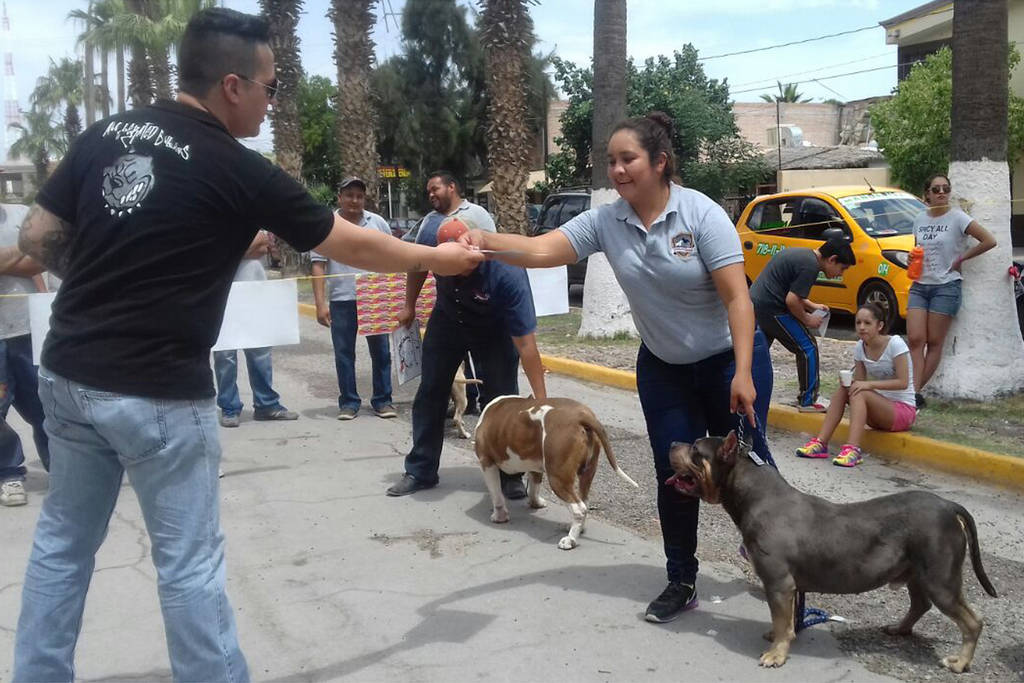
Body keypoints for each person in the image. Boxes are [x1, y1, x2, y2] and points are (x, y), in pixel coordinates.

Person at [3, 8, 481, 682]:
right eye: (270, 87)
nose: (272, 101)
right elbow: (352, 244)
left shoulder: (104, 135)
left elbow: (35, 236)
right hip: (159, 391)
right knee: (188, 563)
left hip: (70, 375)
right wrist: (438, 257)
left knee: (62, 545)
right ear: (233, 85)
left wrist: (110, 268)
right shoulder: (236, 167)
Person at [458, 112, 774, 624]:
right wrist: (484, 241)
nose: (617, 170)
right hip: (665, 368)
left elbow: (739, 299)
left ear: (660, 162)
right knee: (674, 474)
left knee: (750, 468)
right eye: (611, 161)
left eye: (628, 159)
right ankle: (681, 580)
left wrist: (742, 372)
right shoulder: (607, 220)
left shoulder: (702, 214)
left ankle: (781, 570)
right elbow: (542, 249)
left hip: (728, 361)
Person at [387, 216, 546, 499]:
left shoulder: (507, 273)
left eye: (461, 266)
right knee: (430, 392)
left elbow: (527, 346)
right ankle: (420, 470)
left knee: (502, 398)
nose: (453, 273)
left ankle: (510, 475)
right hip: (448, 319)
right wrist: (409, 304)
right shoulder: (432, 242)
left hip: (495, 329)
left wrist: (543, 402)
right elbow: (417, 265)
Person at [906, 173, 996, 408]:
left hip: (946, 286)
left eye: (946, 188)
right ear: (927, 194)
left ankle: (913, 394)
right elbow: (918, 249)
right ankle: (911, 394)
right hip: (919, 285)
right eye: (936, 189)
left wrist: (961, 258)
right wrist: (911, 259)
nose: (941, 193)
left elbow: (989, 240)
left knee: (934, 342)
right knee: (915, 339)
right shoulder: (919, 219)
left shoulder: (958, 217)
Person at [311, 177, 396, 420]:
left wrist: (393, 294)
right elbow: (318, 265)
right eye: (349, 195)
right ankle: (348, 403)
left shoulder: (377, 223)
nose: (354, 200)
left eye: (359, 196)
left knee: (381, 352)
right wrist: (320, 304)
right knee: (344, 353)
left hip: (376, 297)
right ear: (340, 197)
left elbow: (392, 255)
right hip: (342, 299)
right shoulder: (327, 225)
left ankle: (383, 401)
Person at [796, 303, 917, 467]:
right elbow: (859, 381)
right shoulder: (860, 346)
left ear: (880, 326)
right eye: (858, 322)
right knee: (847, 389)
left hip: (902, 412)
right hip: (878, 412)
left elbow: (903, 382)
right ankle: (821, 442)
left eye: (867, 323)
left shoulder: (896, 344)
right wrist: (848, 382)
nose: (862, 327)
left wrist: (868, 386)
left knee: (860, 391)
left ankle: (853, 449)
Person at [749, 234, 855, 412]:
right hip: (772, 308)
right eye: (842, 268)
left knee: (758, 354)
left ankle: (750, 393)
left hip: (758, 305)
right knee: (808, 347)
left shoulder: (803, 255)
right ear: (832, 259)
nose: (840, 274)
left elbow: (792, 293)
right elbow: (791, 301)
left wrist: (812, 306)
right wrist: (807, 319)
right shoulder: (810, 266)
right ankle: (808, 400)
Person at [213, 230, 299, 427]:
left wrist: (226, 252)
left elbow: (262, 244)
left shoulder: (251, 220)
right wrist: (244, 248)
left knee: (260, 353)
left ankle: (266, 405)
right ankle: (229, 408)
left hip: (254, 294)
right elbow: (210, 252)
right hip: (222, 296)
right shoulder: (212, 223)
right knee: (225, 356)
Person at [0, 204, 50, 507]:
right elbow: (29, 259)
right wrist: (22, 254)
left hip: (29, 328)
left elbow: (40, 262)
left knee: (47, 404)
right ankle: (9, 474)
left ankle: (61, 468)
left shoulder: (21, 214)